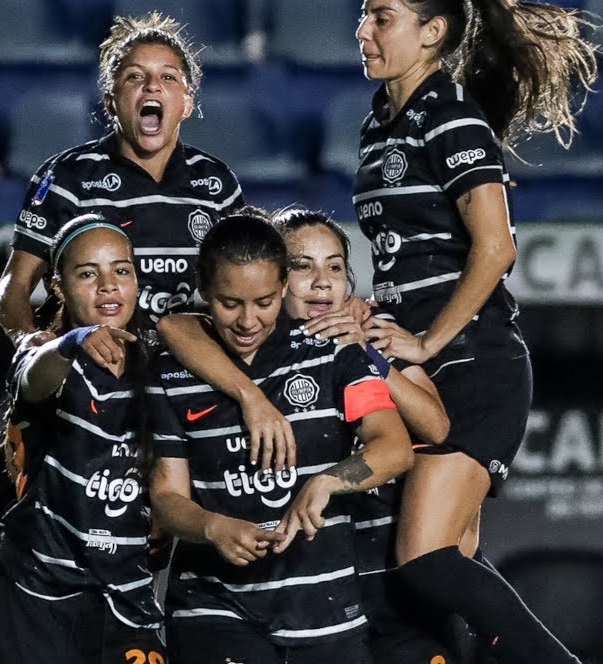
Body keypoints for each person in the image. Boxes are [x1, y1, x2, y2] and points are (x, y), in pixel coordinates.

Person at [0, 12, 248, 664]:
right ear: (113, 97)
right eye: (133, 77)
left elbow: (240, 292)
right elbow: (13, 292)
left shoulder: (219, 187)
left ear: (189, 98)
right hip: (71, 403)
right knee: (0, 548)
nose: (151, 88)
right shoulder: (67, 178)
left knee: (143, 552)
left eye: (167, 77)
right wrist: (39, 358)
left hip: (164, 407)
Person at [351, 0, 597, 663]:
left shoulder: (452, 116)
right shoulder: (379, 125)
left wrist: (425, 341)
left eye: (382, 17)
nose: (364, 31)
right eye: (365, 15)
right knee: (446, 574)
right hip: (424, 371)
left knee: (422, 559)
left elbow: (496, 250)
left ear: (432, 32)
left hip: (473, 364)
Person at [148, 211, 415, 664]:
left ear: (284, 286)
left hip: (325, 608)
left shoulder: (334, 352)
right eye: (229, 303)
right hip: (213, 605)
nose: (248, 320)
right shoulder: (172, 373)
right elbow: (167, 495)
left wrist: (328, 482)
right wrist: (212, 527)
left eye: (265, 301)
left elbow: (393, 447)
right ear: (203, 293)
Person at [0, 213, 165, 664]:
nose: (108, 286)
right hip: (34, 604)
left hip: (125, 604)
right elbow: (36, 378)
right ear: (57, 287)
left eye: (121, 270)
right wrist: (74, 341)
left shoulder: (165, 364)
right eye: (87, 273)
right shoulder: (41, 352)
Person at [273, 207, 456, 664]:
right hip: (308, 595)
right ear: (273, 278)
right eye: (303, 266)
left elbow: (434, 425)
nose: (322, 282)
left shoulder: (375, 332)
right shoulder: (253, 355)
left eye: (334, 266)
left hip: (396, 594)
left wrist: (366, 356)